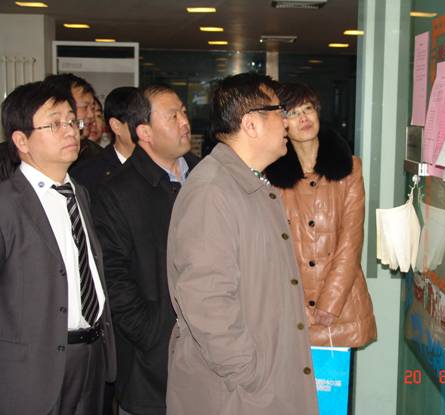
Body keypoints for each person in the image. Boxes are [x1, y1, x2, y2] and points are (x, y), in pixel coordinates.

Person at [166, 73, 319, 415]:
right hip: (236, 393)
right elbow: (206, 299)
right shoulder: (213, 190)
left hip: (260, 384)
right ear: (251, 124)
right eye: (280, 112)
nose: (287, 121)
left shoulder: (250, 183)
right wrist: (249, 372)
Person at [0, 80, 115, 415]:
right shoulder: (7, 204)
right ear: (21, 140)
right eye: (54, 124)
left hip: (92, 355)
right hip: (32, 368)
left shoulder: (79, 193)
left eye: (71, 121)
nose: (70, 131)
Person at [93, 84, 199, 415]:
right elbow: (112, 276)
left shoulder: (205, 177)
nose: (185, 122)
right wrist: (153, 333)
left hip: (210, 356)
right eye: (173, 116)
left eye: (184, 112)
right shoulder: (116, 191)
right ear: (144, 132)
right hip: (150, 368)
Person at [265, 82, 377, 348]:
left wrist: (329, 303)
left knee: (333, 376)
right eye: (293, 113)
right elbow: (270, 249)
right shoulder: (270, 176)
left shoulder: (350, 168)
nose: (303, 117)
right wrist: (296, 302)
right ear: (282, 123)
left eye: (308, 109)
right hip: (290, 307)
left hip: (342, 307)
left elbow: (351, 241)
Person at [71, 87, 140, 197]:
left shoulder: (158, 165)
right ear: (116, 126)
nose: (147, 128)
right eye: (140, 121)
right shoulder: (88, 174)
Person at [44, 73, 103, 167]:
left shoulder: (99, 156)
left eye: (92, 108)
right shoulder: (40, 153)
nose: (91, 115)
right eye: (84, 107)